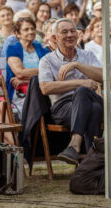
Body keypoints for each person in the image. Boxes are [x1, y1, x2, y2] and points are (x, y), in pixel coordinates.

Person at [39, 18, 103, 164]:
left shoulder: (87, 55)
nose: (70, 35)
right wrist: (80, 82)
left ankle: (74, 145)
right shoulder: (47, 60)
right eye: (64, 32)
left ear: (78, 34)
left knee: (84, 94)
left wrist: (77, 65)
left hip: (92, 98)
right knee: (93, 108)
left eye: (73, 31)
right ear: (54, 37)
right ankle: (94, 162)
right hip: (64, 107)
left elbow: (104, 77)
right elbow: (45, 88)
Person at [6, 18, 49, 117]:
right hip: (19, 92)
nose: (31, 32)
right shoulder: (13, 49)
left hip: (40, 89)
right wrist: (42, 72)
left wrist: (25, 80)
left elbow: (51, 72)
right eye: (26, 29)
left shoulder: (42, 50)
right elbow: (20, 73)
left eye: (32, 28)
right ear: (17, 33)